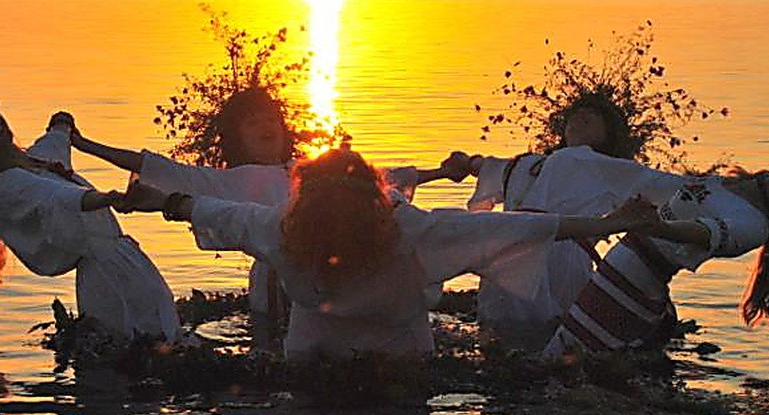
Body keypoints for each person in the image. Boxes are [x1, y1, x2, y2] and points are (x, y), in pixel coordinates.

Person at [116, 148, 662, 361]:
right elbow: (523, 228)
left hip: (311, 360)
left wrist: (157, 198)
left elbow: (204, 209)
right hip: (400, 361)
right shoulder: (411, 229)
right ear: (375, 192)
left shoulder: (282, 228)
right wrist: (612, 223)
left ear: (302, 191)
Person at [62, 87, 458, 337]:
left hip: (335, 272)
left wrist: (444, 171)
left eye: (270, 117)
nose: (265, 125)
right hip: (274, 281)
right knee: (275, 345)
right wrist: (84, 144)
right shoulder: (228, 181)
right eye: (252, 121)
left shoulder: (313, 170)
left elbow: (380, 182)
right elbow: (159, 169)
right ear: (237, 135)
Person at [0, 83, 181, 341]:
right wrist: (112, 198)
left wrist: (61, 124)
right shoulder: (6, 187)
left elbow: (55, 143)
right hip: (108, 279)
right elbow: (56, 198)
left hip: (126, 262)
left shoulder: (34, 160)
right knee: (140, 343)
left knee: (161, 336)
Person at [435, 94, 685, 345]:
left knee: (554, 336)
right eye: (576, 114)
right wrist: (465, 162)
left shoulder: (608, 168)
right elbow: (487, 167)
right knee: (499, 335)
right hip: (507, 257)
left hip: (561, 259)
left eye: (593, 116)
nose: (581, 116)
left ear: (610, 133)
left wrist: (716, 186)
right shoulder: (527, 163)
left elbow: (670, 186)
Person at [545, 169, 769, 360]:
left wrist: (654, 226)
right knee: (560, 355)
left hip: (629, 288)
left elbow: (701, 234)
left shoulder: (753, 226)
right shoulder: (740, 184)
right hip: (628, 266)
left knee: (564, 366)